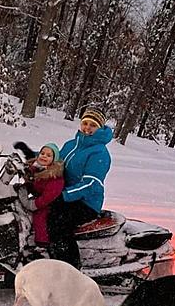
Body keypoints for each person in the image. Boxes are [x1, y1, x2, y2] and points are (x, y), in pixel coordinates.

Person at [47, 108, 112, 269]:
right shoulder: (72, 144)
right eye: (85, 123)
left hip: (86, 203)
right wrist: (30, 159)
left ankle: (71, 269)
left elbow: (92, 183)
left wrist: (64, 195)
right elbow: (55, 162)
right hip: (64, 194)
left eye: (92, 125)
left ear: (99, 128)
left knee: (58, 223)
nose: (87, 128)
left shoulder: (99, 152)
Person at [16, 143, 64, 249]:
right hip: (38, 197)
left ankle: (42, 243)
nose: (44, 156)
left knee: (40, 217)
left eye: (48, 155)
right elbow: (31, 181)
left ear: (54, 160)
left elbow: (49, 196)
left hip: (50, 203)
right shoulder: (36, 168)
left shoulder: (55, 176)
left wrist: (34, 204)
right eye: (42, 153)